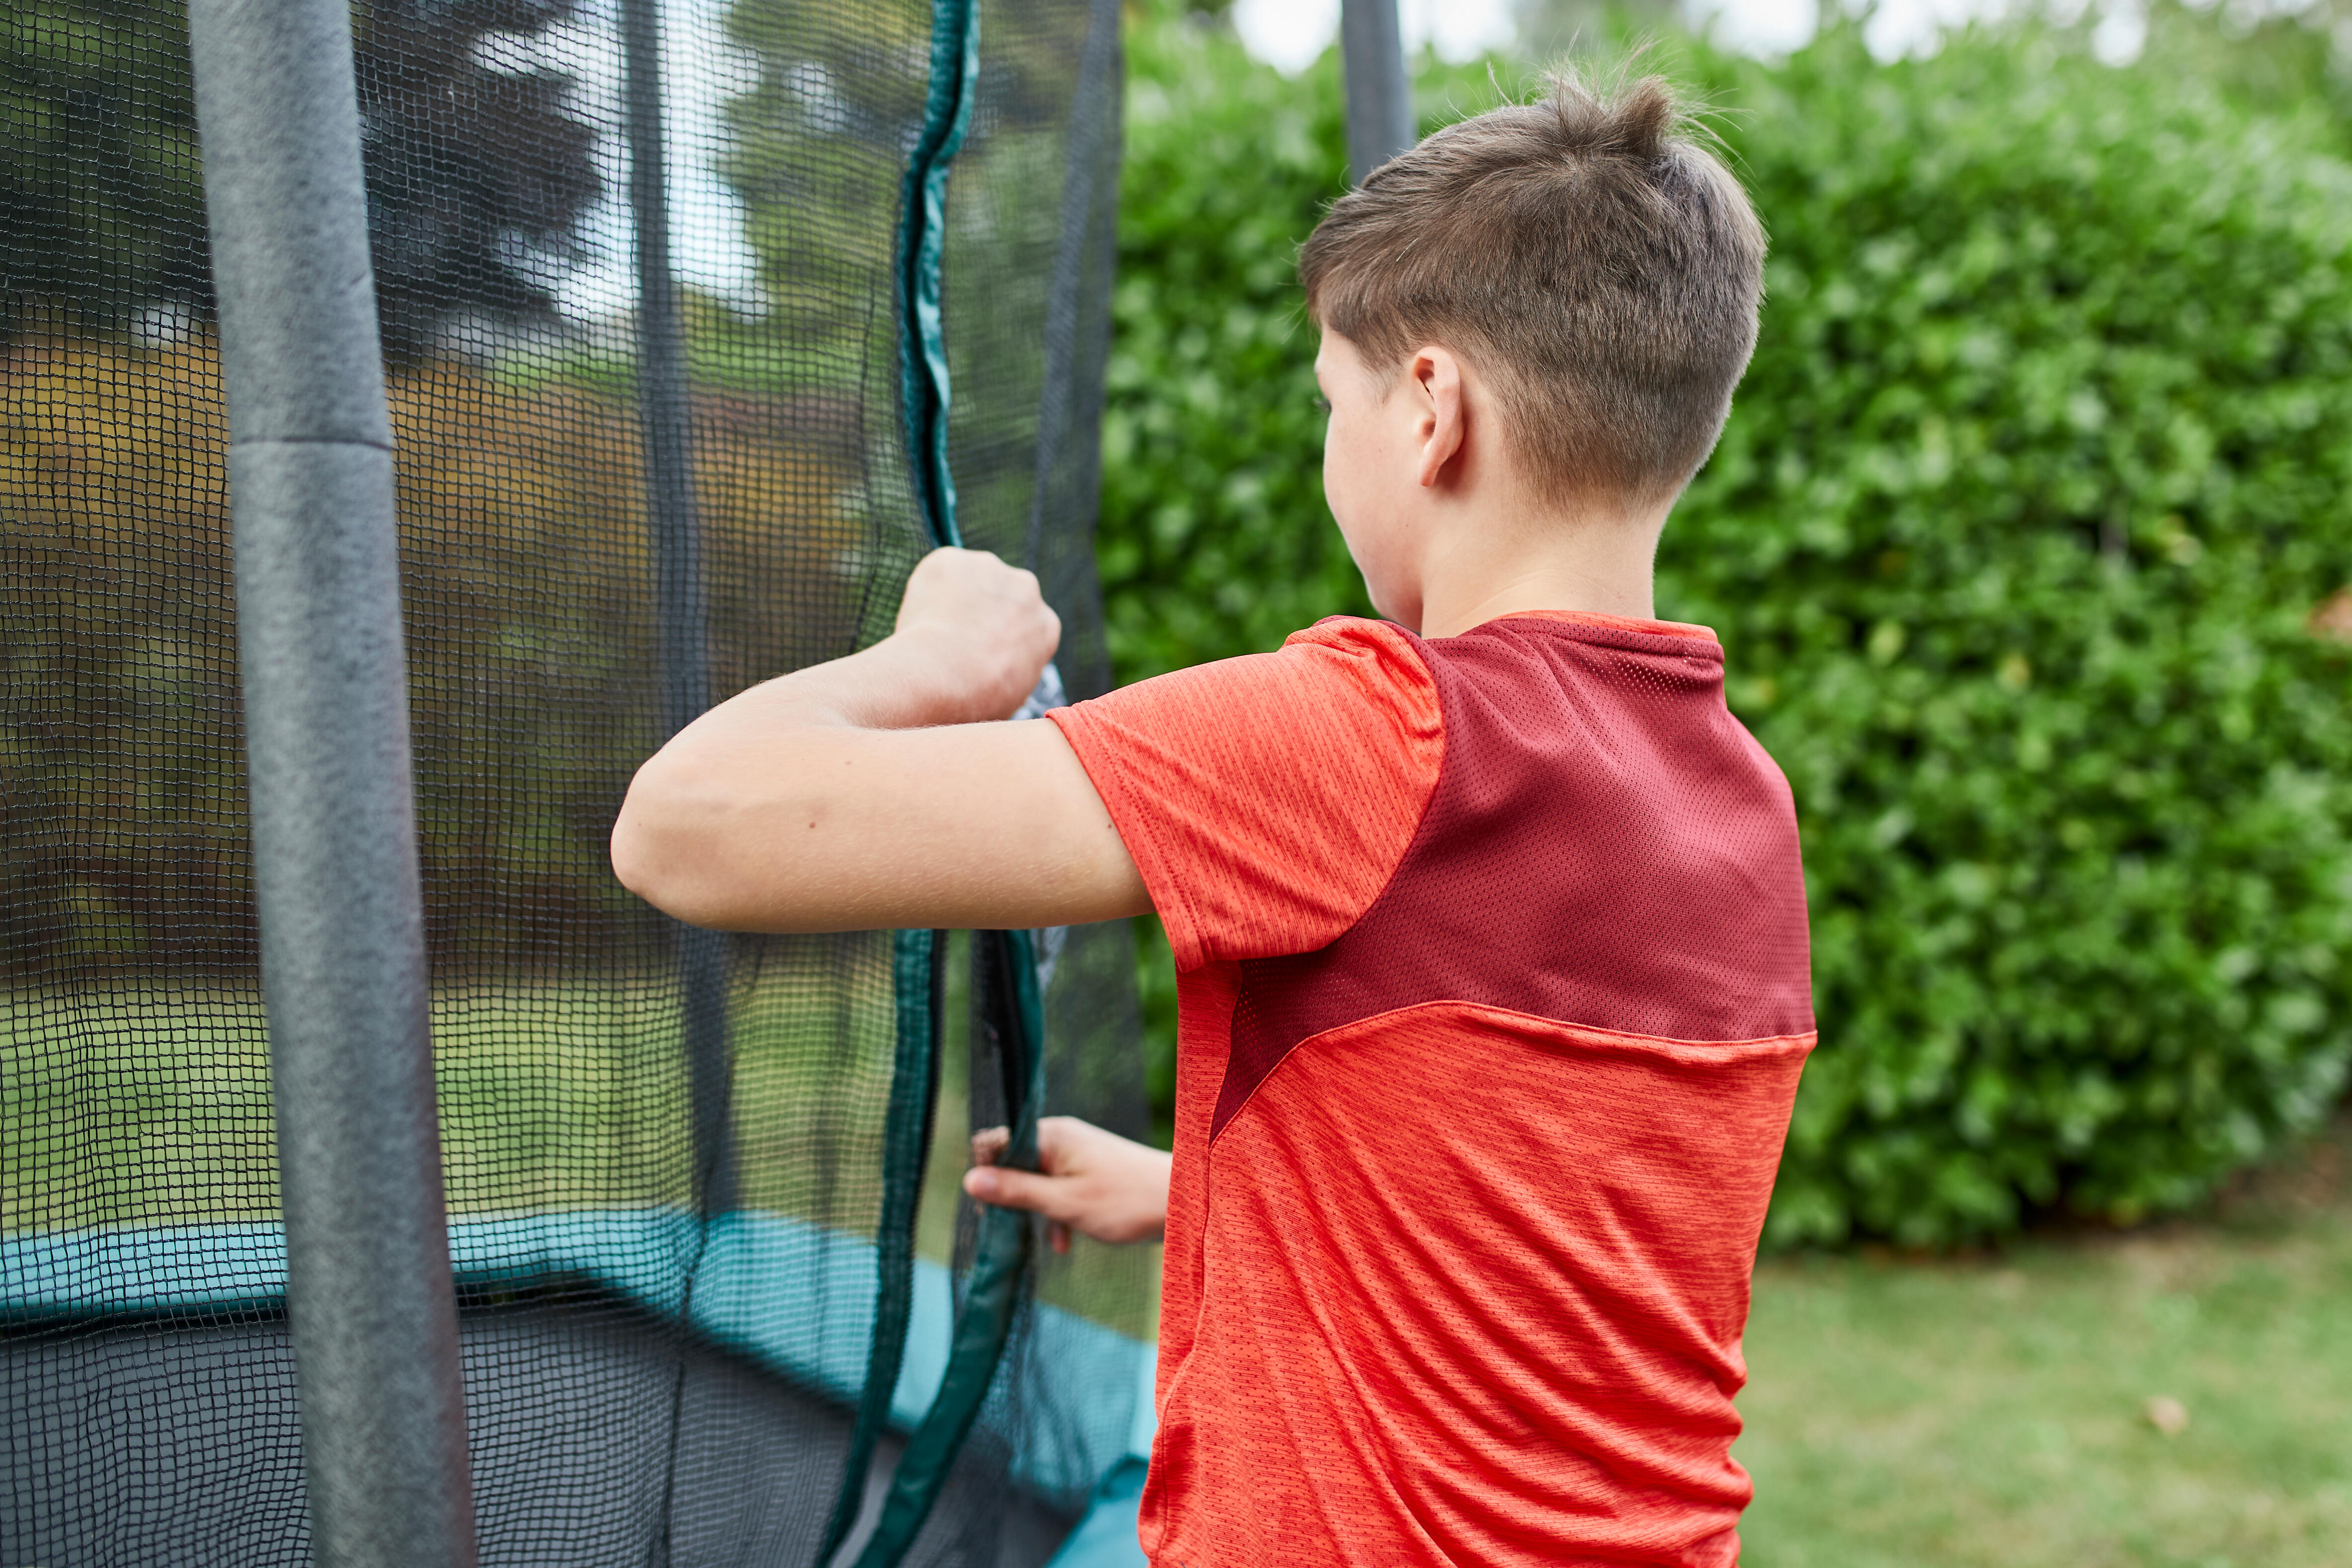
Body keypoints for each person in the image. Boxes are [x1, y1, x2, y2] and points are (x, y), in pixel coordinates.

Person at [613, 67, 1812, 1568]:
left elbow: (685, 823)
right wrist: (1207, 1192)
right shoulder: (1737, 801)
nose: (1335, 447)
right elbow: (1553, 1227)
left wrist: (933, 661)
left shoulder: (1371, 736)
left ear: (1431, 408)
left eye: (1336, 402)